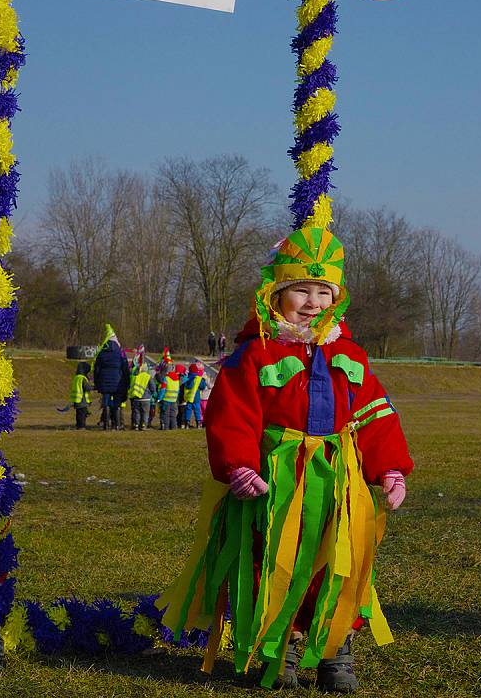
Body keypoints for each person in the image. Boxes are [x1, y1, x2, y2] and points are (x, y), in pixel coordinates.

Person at [157, 228, 413, 692]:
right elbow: (232, 413)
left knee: (335, 560)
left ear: (336, 297)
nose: (312, 301)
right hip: (276, 482)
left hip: (336, 481)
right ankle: (281, 647)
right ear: (276, 295)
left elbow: (374, 411)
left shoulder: (349, 354)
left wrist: (390, 467)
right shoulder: (255, 354)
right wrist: (239, 465)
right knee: (273, 562)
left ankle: (335, 648)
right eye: (300, 290)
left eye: (323, 291)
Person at [93, 324, 130, 430]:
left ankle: (106, 424)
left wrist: (97, 382)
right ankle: (117, 425)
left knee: (106, 402)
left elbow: (97, 369)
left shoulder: (101, 353)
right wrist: (127, 382)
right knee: (117, 403)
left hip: (104, 382)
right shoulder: (121, 353)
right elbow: (125, 369)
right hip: (118, 382)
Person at [128, 363, 157, 430]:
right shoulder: (148, 377)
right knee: (145, 413)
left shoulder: (136, 376)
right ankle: (143, 425)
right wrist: (154, 394)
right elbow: (152, 387)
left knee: (137, 412)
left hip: (136, 397)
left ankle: (136, 425)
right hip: (146, 399)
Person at [157, 363, 182, 430]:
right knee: (173, 415)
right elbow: (178, 390)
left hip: (166, 399)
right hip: (174, 400)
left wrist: (159, 398)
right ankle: (173, 427)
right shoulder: (177, 379)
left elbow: (163, 389)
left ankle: (165, 427)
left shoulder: (166, 379)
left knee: (165, 414)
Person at [69, 361, 92, 430]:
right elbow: (87, 388)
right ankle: (82, 426)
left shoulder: (77, 377)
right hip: (82, 400)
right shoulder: (82, 378)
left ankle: (79, 425)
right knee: (82, 414)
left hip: (77, 399)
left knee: (79, 413)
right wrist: (94, 387)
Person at [184, 361, 207, 429]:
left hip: (189, 397)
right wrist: (203, 379)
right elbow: (203, 386)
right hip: (196, 397)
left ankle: (187, 423)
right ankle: (198, 423)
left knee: (188, 410)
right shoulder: (198, 379)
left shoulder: (187, 379)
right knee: (197, 410)